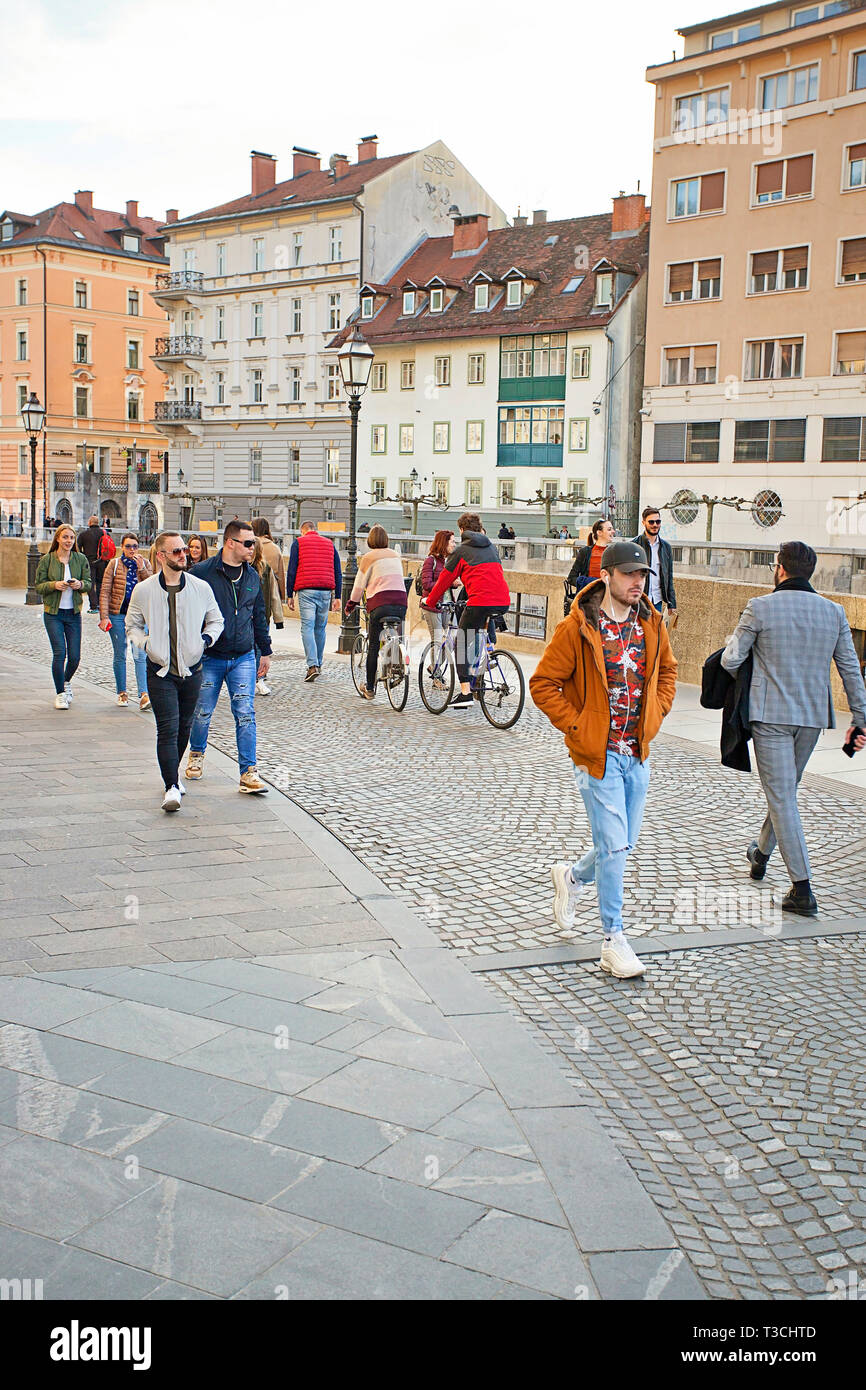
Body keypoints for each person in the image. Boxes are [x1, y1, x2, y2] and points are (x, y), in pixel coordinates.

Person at [530, 540, 677, 979]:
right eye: (630, 574)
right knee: (615, 845)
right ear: (607, 575)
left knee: (620, 844)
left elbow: (668, 671)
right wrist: (579, 728)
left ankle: (572, 878)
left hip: (638, 754)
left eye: (643, 575)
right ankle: (613, 938)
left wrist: (656, 713)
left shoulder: (650, 622)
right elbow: (543, 684)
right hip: (599, 756)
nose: (638, 582)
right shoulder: (577, 628)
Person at [721, 540, 866, 917]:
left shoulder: (761, 607)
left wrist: (734, 651)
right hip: (813, 718)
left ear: (780, 569)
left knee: (782, 796)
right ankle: (761, 853)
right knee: (783, 791)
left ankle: (802, 889)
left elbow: (732, 659)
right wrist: (860, 717)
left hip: (770, 716)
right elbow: (851, 670)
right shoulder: (833, 612)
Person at [127, 533, 224, 812]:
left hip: (192, 669)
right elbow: (132, 624)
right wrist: (146, 644)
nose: (184, 555)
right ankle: (171, 786)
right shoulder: (144, 590)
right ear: (161, 556)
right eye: (177, 551)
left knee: (184, 727)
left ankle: (173, 775)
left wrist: (204, 641)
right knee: (167, 728)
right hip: (159, 670)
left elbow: (216, 620)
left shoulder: (200, 587)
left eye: (184, 550)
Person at [185, 520, 271, 794]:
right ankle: (196, 754)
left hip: (243, 656)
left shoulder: (252, 576)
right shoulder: (201, 573)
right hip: (210, 656)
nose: (252, 548)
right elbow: (187, 613)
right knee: (202, 712)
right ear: (230, 543)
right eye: (247, 543)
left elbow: (258, 615)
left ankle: (248, 772)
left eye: (254, 543)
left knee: (245, 712)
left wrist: (265, 651)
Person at [422, 512, 511, 711]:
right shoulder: (492, 548)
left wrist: (431, 600)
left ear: (462, 530)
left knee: (460, 641)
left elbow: (444, 580)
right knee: (477, 632)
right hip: (503, 601)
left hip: (480, 602)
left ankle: (465, 693)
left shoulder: (461, 551)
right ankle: (481, 669)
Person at [344, 525, 407, 700]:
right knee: (396, 634)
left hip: (380, 605)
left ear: (370, 540)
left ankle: (370, 688)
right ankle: (397, 662)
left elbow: (359, 586)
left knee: (373, 645)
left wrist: (350, 605)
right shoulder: (395, 555)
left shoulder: (368, 557)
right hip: (401, 602)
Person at [35, 524, 92, 709]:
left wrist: (79, 584)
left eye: (71, 538)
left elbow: (89, 584)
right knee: (60, 653)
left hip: (73, 613)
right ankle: (60, 693)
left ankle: (65, 682)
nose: (68, 541)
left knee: (75, 657)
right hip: (53, 613)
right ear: (58, 538)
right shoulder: (47, 560)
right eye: (65, 537)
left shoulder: (80, 558)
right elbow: (38, 586)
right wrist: (54, 585)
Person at [98, 532, 152, 708]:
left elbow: (152, 585)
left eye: (135, 546)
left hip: (138, 618)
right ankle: (122, 692)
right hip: (117, 615)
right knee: (120, 653)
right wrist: (104, 617)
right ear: (122, 547)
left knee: (140, 655)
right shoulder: (114, 565)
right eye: (128, 546)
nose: (132, 550)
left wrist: (141, 568)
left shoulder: (144, 563)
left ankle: (144, 694)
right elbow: (105, 591)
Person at [285, 519, 342, 682]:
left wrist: (290, 594)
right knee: (320, 628)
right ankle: (319, 663)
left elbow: (292, 569)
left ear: (303, 531)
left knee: (307, 627)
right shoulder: (329, 544)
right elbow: (338, 571)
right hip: (325, 591)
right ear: (314, 529)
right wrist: (337, 596)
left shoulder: (299, 543)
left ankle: (312, 666)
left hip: (306, 591)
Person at [252, 536, 284, 695]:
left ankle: (258, 679)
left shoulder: (265, 569)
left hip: (262, 615)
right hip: (251, 616)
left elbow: (274, 594)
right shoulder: (240, 568)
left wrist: (279, 618)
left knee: (259, 648)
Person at [632, 508, 677, 618]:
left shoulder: (665, 547)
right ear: (643, 523)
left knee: (655, 632)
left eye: (658, 522)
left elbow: (669, 576)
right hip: (639, 599)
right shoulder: (634, 545)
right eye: (651, 522)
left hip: (657, 600)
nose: (655, 525)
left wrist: (672, 602)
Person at [420, 530, 457, 648]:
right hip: (432, 605)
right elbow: (426, 584)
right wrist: (449, 583)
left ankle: (437, 665)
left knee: (454, 636)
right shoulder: (431, 560)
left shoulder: (449, 561)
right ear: (444, 543)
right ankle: (436, 666)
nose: (454, 545)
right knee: (437, 639)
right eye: (452, 541)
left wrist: (452, 584)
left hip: (448, 605)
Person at [568, 517, 616, 589]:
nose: (613, 531)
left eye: (612, 529)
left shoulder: (614, 553)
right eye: (609, 529)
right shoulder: (585, 552)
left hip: (608, 596)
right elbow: (571, 578)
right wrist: (590, 582)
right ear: (599, 533)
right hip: (589, 596)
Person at [252, 518, 286, 601]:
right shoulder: (275, 548)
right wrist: (282, 595)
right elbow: (281, 574)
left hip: (252, 588)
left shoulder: (250, 547)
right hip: (271, 590)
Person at [77, 515, 104, 611]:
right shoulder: (104, 533)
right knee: (100, 583)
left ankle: (93, 605)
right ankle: (100, 604)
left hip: (89, 562)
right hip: (102, 562)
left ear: (89, 523)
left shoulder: (84, 534)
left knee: (90, 584)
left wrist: (84, 556)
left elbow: (77, 548)